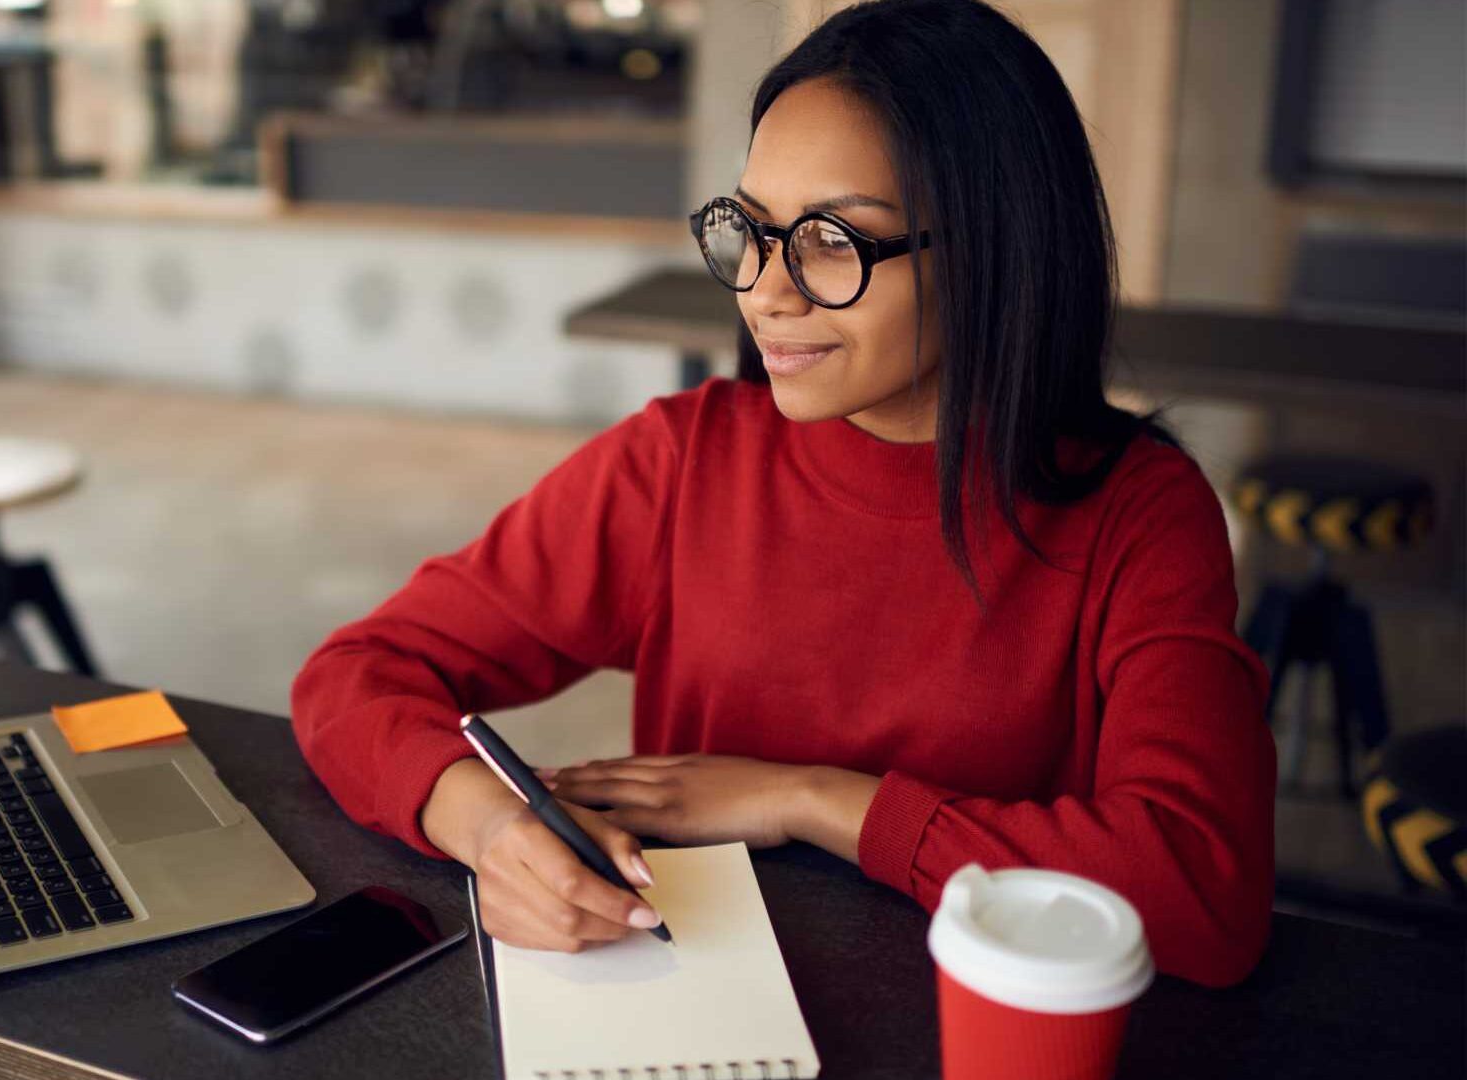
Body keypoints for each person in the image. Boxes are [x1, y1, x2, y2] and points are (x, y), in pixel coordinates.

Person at [290, 0, 1274, 988]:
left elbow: (1202, 889)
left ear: (993, 245)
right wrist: (491, 826)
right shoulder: (681, 465)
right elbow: (356, 673)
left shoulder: (1139, 514)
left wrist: (809, 800)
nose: (765, 288)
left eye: (835, 239)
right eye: (753, 231)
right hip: (697, 1015)